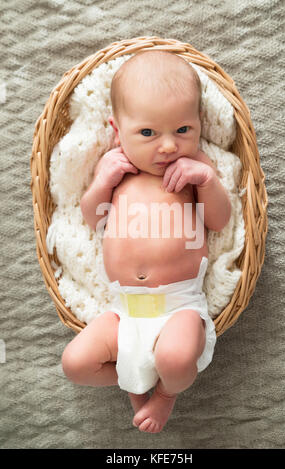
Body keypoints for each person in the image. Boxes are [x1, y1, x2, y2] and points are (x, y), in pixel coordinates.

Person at [61, 51, 231, 433]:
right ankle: (135, 385)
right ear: (118, 131)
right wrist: (101, 181)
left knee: (174, 358)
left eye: (183, 130)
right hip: (124, 312)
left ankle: (165, 395)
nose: (168, 147)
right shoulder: (117, 168)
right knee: (75, 363)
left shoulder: (196, 168)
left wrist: (206, 181)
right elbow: (92, 217)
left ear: (199, 125)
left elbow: (219, 221)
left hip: (179, 306)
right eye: (148, 133)